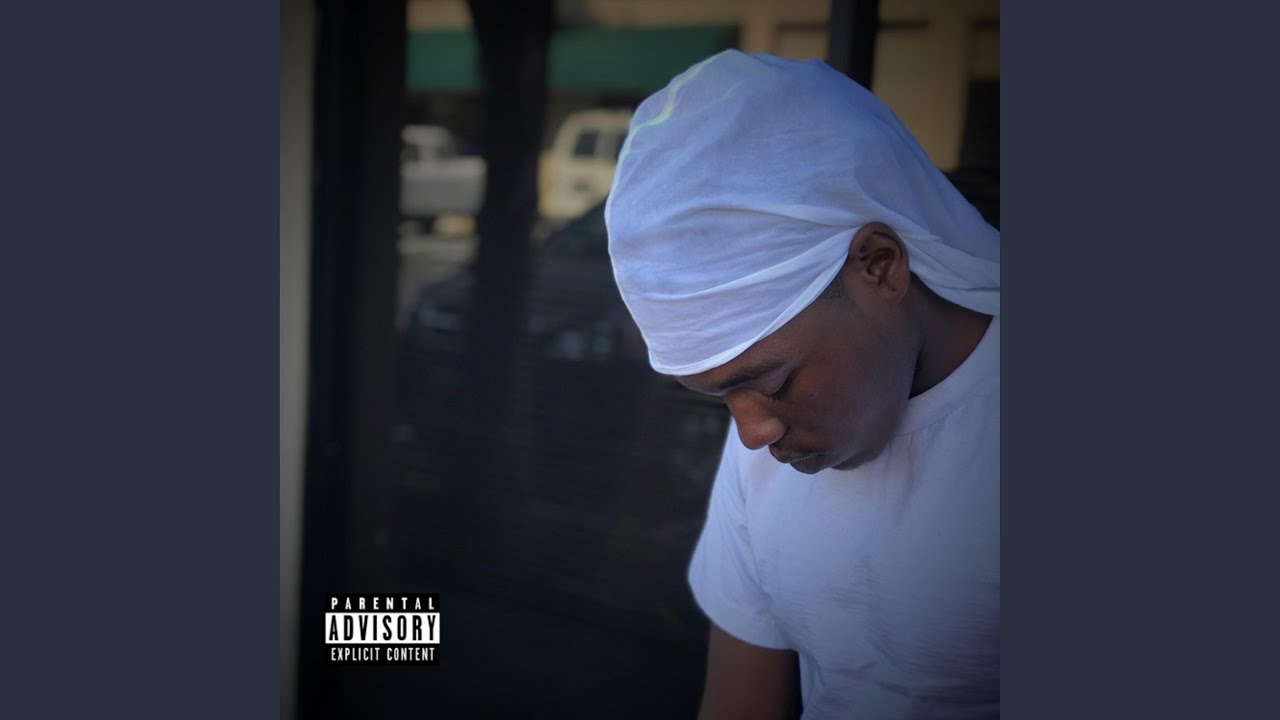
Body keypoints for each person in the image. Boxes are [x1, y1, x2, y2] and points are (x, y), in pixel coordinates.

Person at [605, 51, 1000, 719]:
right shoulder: (772, 436)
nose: (752, 434)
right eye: (721, 397)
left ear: (879, 267)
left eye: (776, 381)